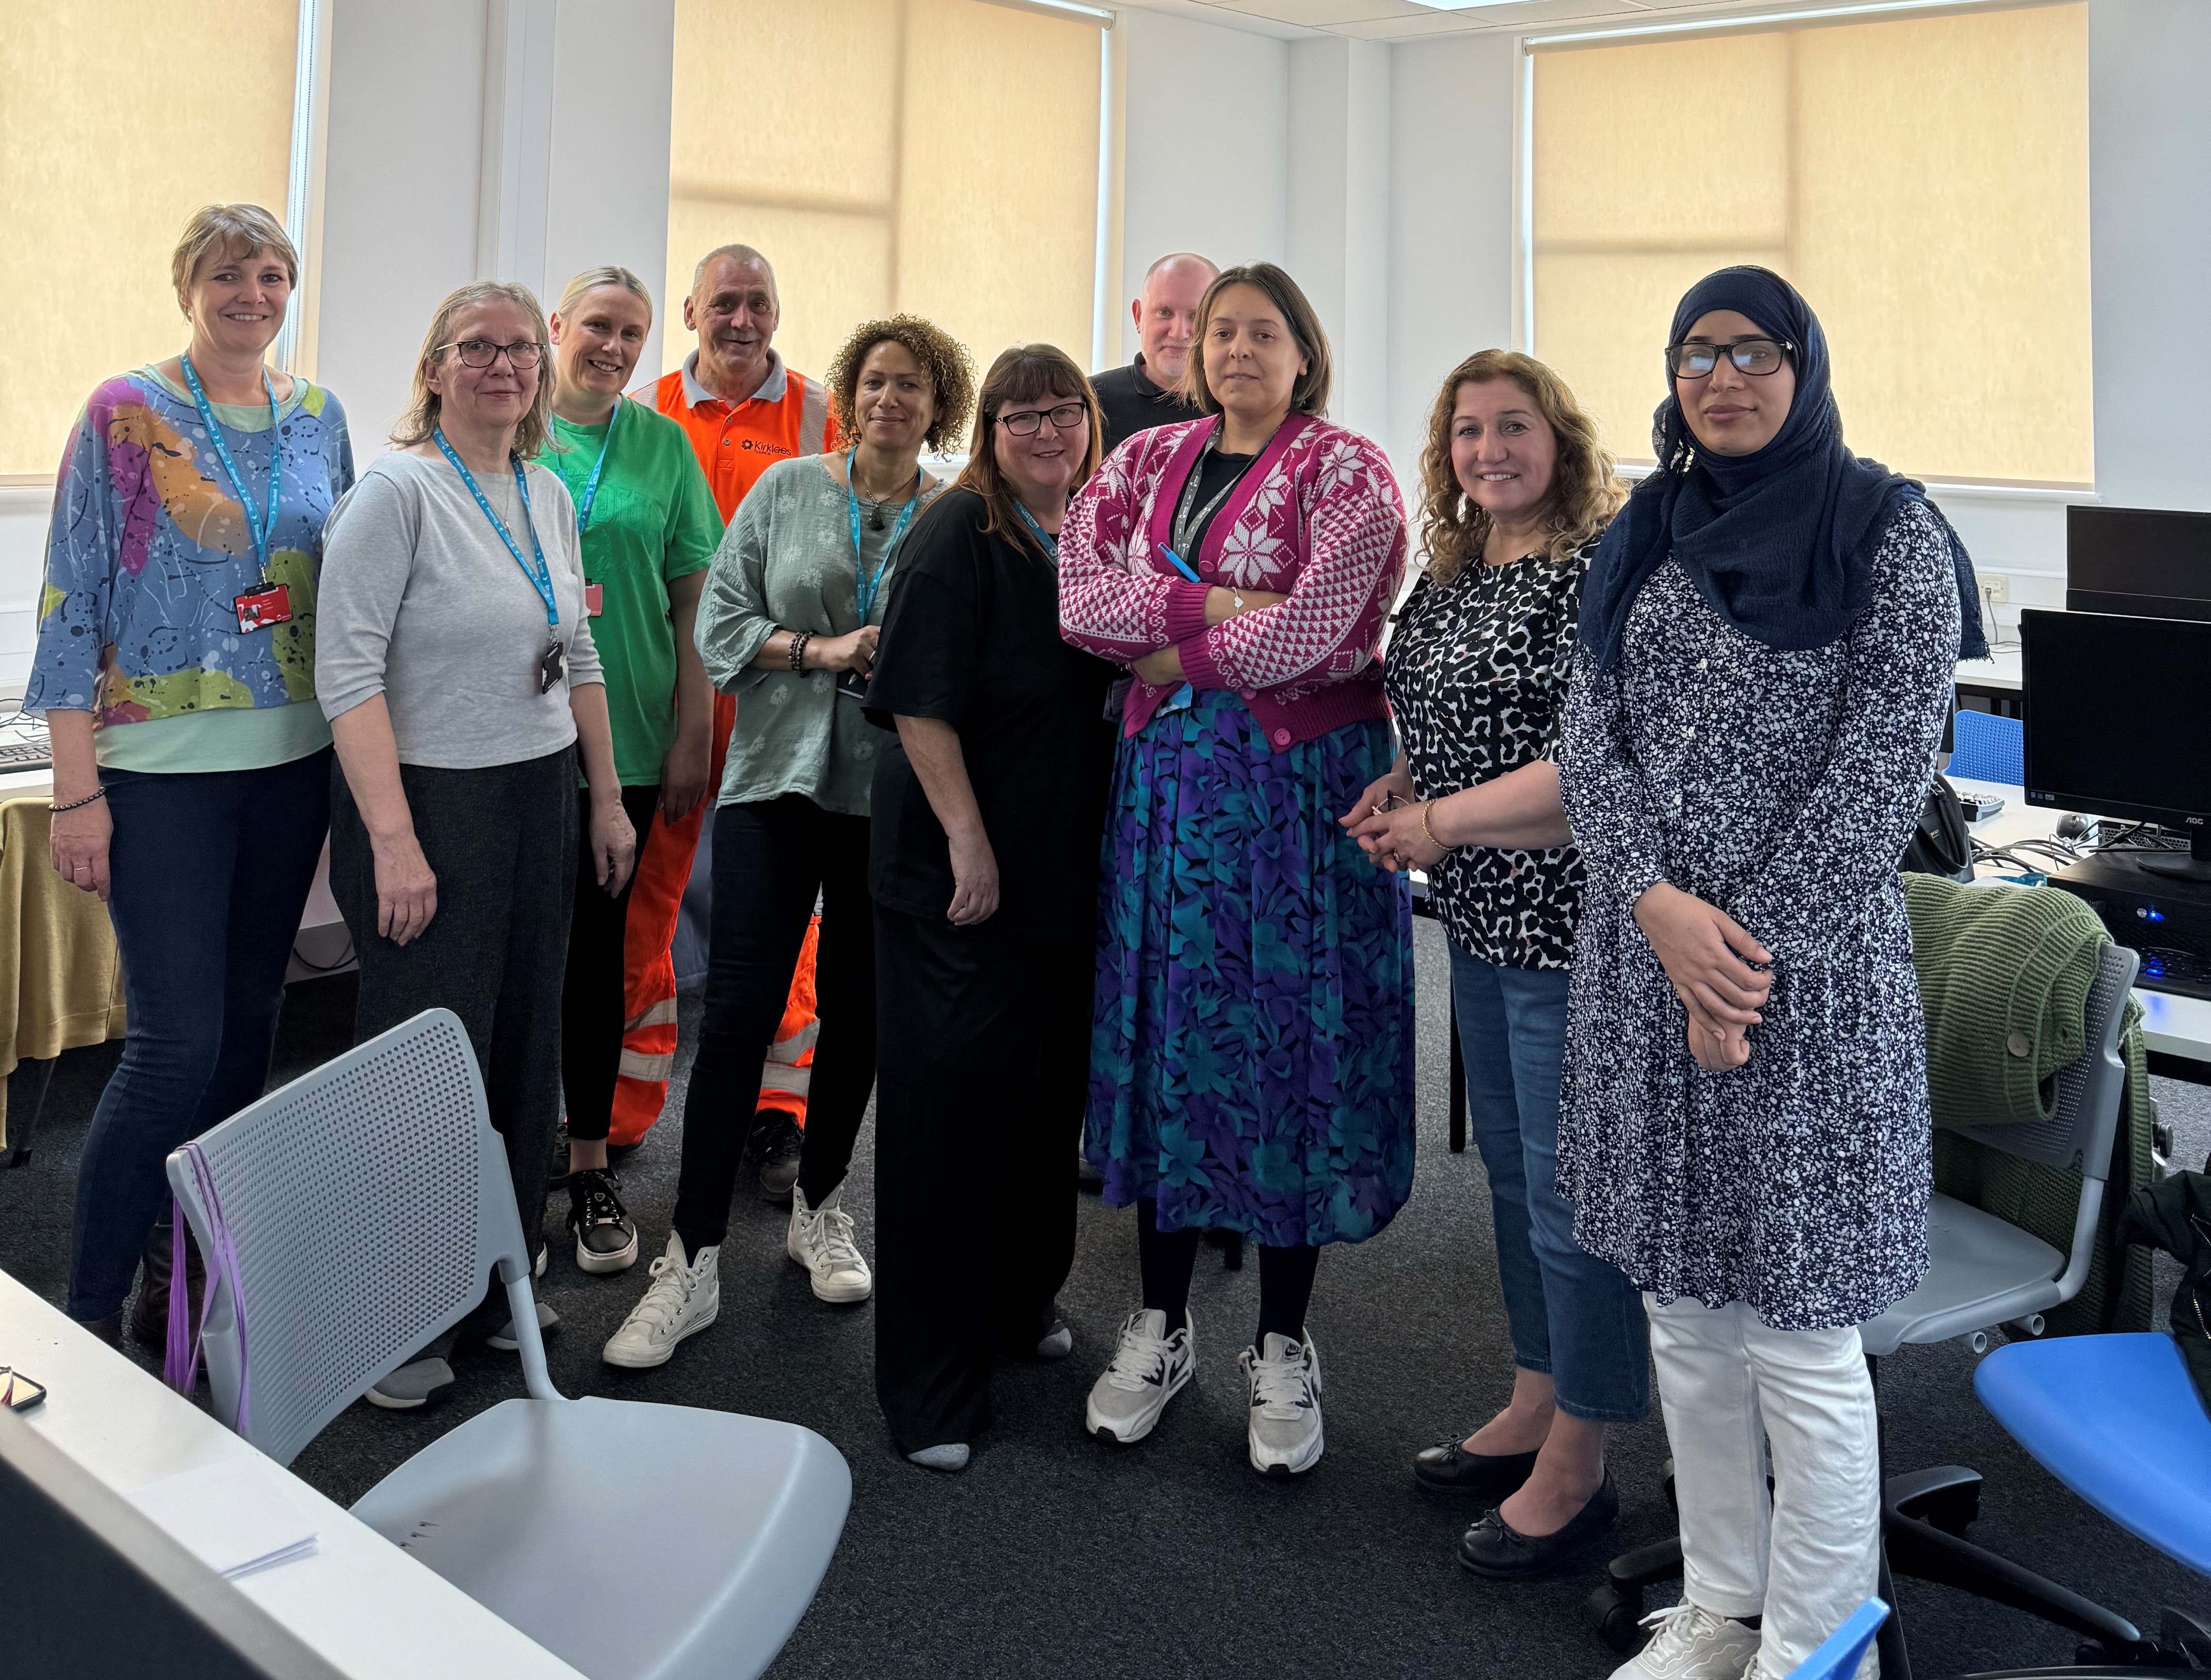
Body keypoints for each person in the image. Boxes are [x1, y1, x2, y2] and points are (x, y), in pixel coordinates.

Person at [1557, 266, 1983, 1680]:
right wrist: (1652, 906)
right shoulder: (1644, 529)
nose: (1721, 377)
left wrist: (1725, 962)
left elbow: (1879, 782)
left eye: (1752, 351)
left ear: (1802, 364)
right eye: (1694, 353)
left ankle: (1818, 1642)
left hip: (1803, 996)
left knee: (1800, 1338)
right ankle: (1720, 1605)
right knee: (1685, 1319)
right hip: (1644, 969)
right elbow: (1590, 739)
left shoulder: (1889, 531)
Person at [1059, 262, 1413, 1479]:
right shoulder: (1140, 461)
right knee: (1171, 1044)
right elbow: (1079, 601)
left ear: (1303, 353)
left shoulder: (1347, 472)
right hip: (1166, 808)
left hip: (1296, 812)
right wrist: (1221, 605)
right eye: (1220, 334)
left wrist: (1169, 639)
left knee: (1286, 1050)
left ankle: (1279, 1340)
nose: (1237, 351)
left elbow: (1321, 629)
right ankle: (1156, 1323)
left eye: (1263, 333)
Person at [602, 313, 974, 1369]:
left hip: (888, 795)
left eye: (912, 386)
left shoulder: (954, 514)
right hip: (773, 780)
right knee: (739, 1010)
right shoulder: (785, 490)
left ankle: (820, 1205)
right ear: (847, 396)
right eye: (875, 382)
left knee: (856, 1011)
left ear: (934, 404)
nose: (890, 400)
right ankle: (690, 1256)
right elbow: (719, 628)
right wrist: (819, 649)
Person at [1342, 350, 1645, 1576]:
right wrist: (1405, 784)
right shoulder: (1456, 571)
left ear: (1557, 441)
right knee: (1516, 1183)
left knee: (1575, 1199)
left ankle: (1580, 1456)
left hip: (1573, 922)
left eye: (1510, 427)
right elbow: (1441, 718)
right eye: (1465, 433)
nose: (1486, 452)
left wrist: (1434, 826)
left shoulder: (1600, 577)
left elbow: (1589, 773)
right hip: (1478, 912)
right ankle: (1534, 1391)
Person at [30, 203, 353, 1345]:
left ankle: (186, 1285)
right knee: (175, 1043)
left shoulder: (320, 417)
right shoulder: (125, 412)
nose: (251, 294)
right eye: (227, 274)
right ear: (187, 287)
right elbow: (71, 597)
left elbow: (345, 591)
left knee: (251, 1024)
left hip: (291, 765)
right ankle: (85, 1316)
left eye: (271, 274)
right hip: (160, 773)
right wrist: (78, 791)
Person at [317, 280, 636, 1409]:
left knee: (519, 1046)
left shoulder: (543, 491)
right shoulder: (394, 495)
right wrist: (393, 843)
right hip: (428, 809)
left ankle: (495, 1278)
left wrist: (603, 797)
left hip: (537, 795)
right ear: (435, 367)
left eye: (518, 350)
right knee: (421, 1064)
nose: (503, 365)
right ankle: (393, 1310)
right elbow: (344, 675)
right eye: (477, 348)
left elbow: (580, 653)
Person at [867, 345, 1116, 1473]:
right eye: (1021, 417)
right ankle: (928, 1388)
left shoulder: (1097, 535)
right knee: (949, 1127)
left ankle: (1017, 1305)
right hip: (959, 883)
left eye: (1064, 412)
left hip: (1062, 878)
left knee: (1035, 1108)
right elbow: (917, 703)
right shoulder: (956, 535)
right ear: (988, 432)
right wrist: (968, 838)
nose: (1047, 431)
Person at [630, 243, 837, 1196]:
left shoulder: (819, 412)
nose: (742, 319)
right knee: (649, 901)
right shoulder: (647, 415)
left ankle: (779, 1110)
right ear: (689, 312)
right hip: (674, 694)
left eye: (759, 302)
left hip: (779, 693)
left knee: (783, 912)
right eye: (725, 303)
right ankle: (625, 1106)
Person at [538, 266, 723, 1275]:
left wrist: (694, 730)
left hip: (641, 738)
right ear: (557, 326)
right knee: (524, 954)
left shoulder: (660, 443)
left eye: (632, 333)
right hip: (517, 743)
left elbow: (696, 599)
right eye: (597, 326)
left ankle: (589, 1158)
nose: (612, 346)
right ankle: (504, 1160)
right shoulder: (511, 423)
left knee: (604, 956)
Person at [1090, 252, 1217, 453]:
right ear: (1138, 316)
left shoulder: (1238, 408)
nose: (1179, 333)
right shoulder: (1089, 402)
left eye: (1195, 316)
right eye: (1164, 313)